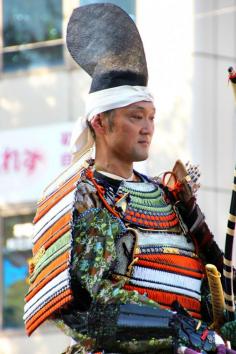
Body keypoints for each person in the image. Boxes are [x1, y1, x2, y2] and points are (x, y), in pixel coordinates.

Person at [24, 4, 236, 354]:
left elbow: (208, 275)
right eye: (136, 117)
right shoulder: (82, 196)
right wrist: (182, 331)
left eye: (151, 117)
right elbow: (89, 307)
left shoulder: (167, 195)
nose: (147, 128)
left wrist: (222, 321)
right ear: (100, 123)